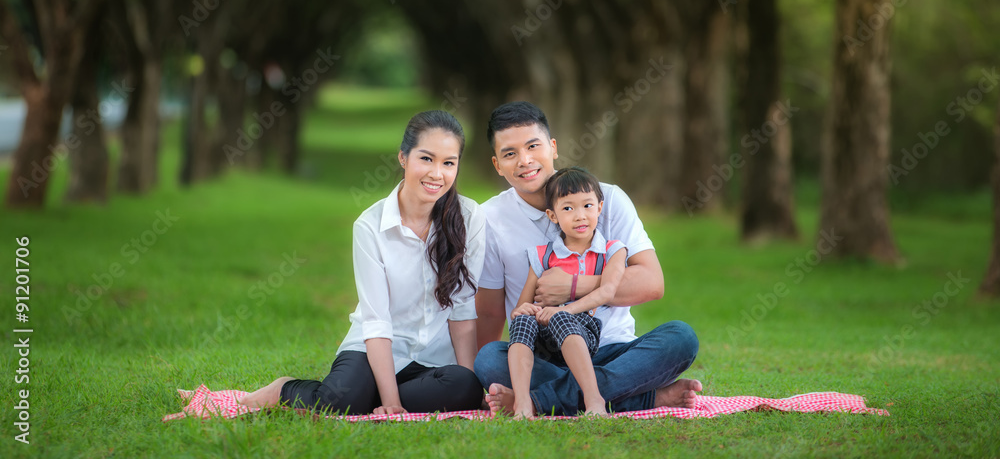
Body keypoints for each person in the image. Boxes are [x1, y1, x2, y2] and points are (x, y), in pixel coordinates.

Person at [240, 110, 485, 415]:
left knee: (465, 387)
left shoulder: (470, 218)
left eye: (449, 163)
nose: (437, 174)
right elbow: (377, 321)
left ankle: (375, 398)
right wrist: (392, 403)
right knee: (341, 402)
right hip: (373, 352)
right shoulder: (370, 226)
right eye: (426, 159)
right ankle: (286, 388)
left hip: (433, 362)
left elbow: (462, 310)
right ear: (403, 158)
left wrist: (473, 389)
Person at [474, 101, 702, 417]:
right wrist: (477, 383)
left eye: (533, 146)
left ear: (552, 147)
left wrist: (574, 285)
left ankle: (538, 401)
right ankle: (640, 397)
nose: (524, 160)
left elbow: (652, 283)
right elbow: (488, 312)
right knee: (489, 359)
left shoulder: (607, 199)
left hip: (615, 351)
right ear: (497, 165)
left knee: (680, 338)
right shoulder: (488, 219)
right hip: (546, 357)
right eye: (510, 153)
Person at [507, 167, 626, 418]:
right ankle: (522, 403)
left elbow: (607, 292)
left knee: (678, 337)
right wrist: (525, 310)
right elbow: (521, 306)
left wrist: (562, 311)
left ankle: (594, 401)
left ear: (600, 208)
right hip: (546, 341)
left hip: (585, 330)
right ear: (552, 215)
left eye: (587, 206)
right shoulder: (542, 255)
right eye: (568, 208)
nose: (580, 216)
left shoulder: (613, 250)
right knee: (518, 327)